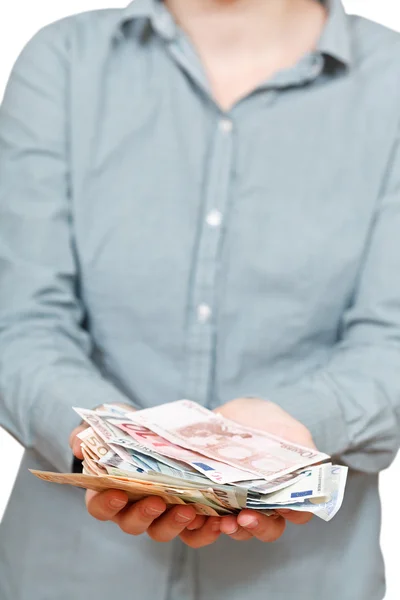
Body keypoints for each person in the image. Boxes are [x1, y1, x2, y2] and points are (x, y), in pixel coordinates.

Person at [0, 0, 399, 598]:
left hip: (308, 578)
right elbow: (20, 317)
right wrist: (106, 443)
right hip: (66, 573)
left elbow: (391, 336)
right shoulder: (64, 61)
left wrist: (300, 424)